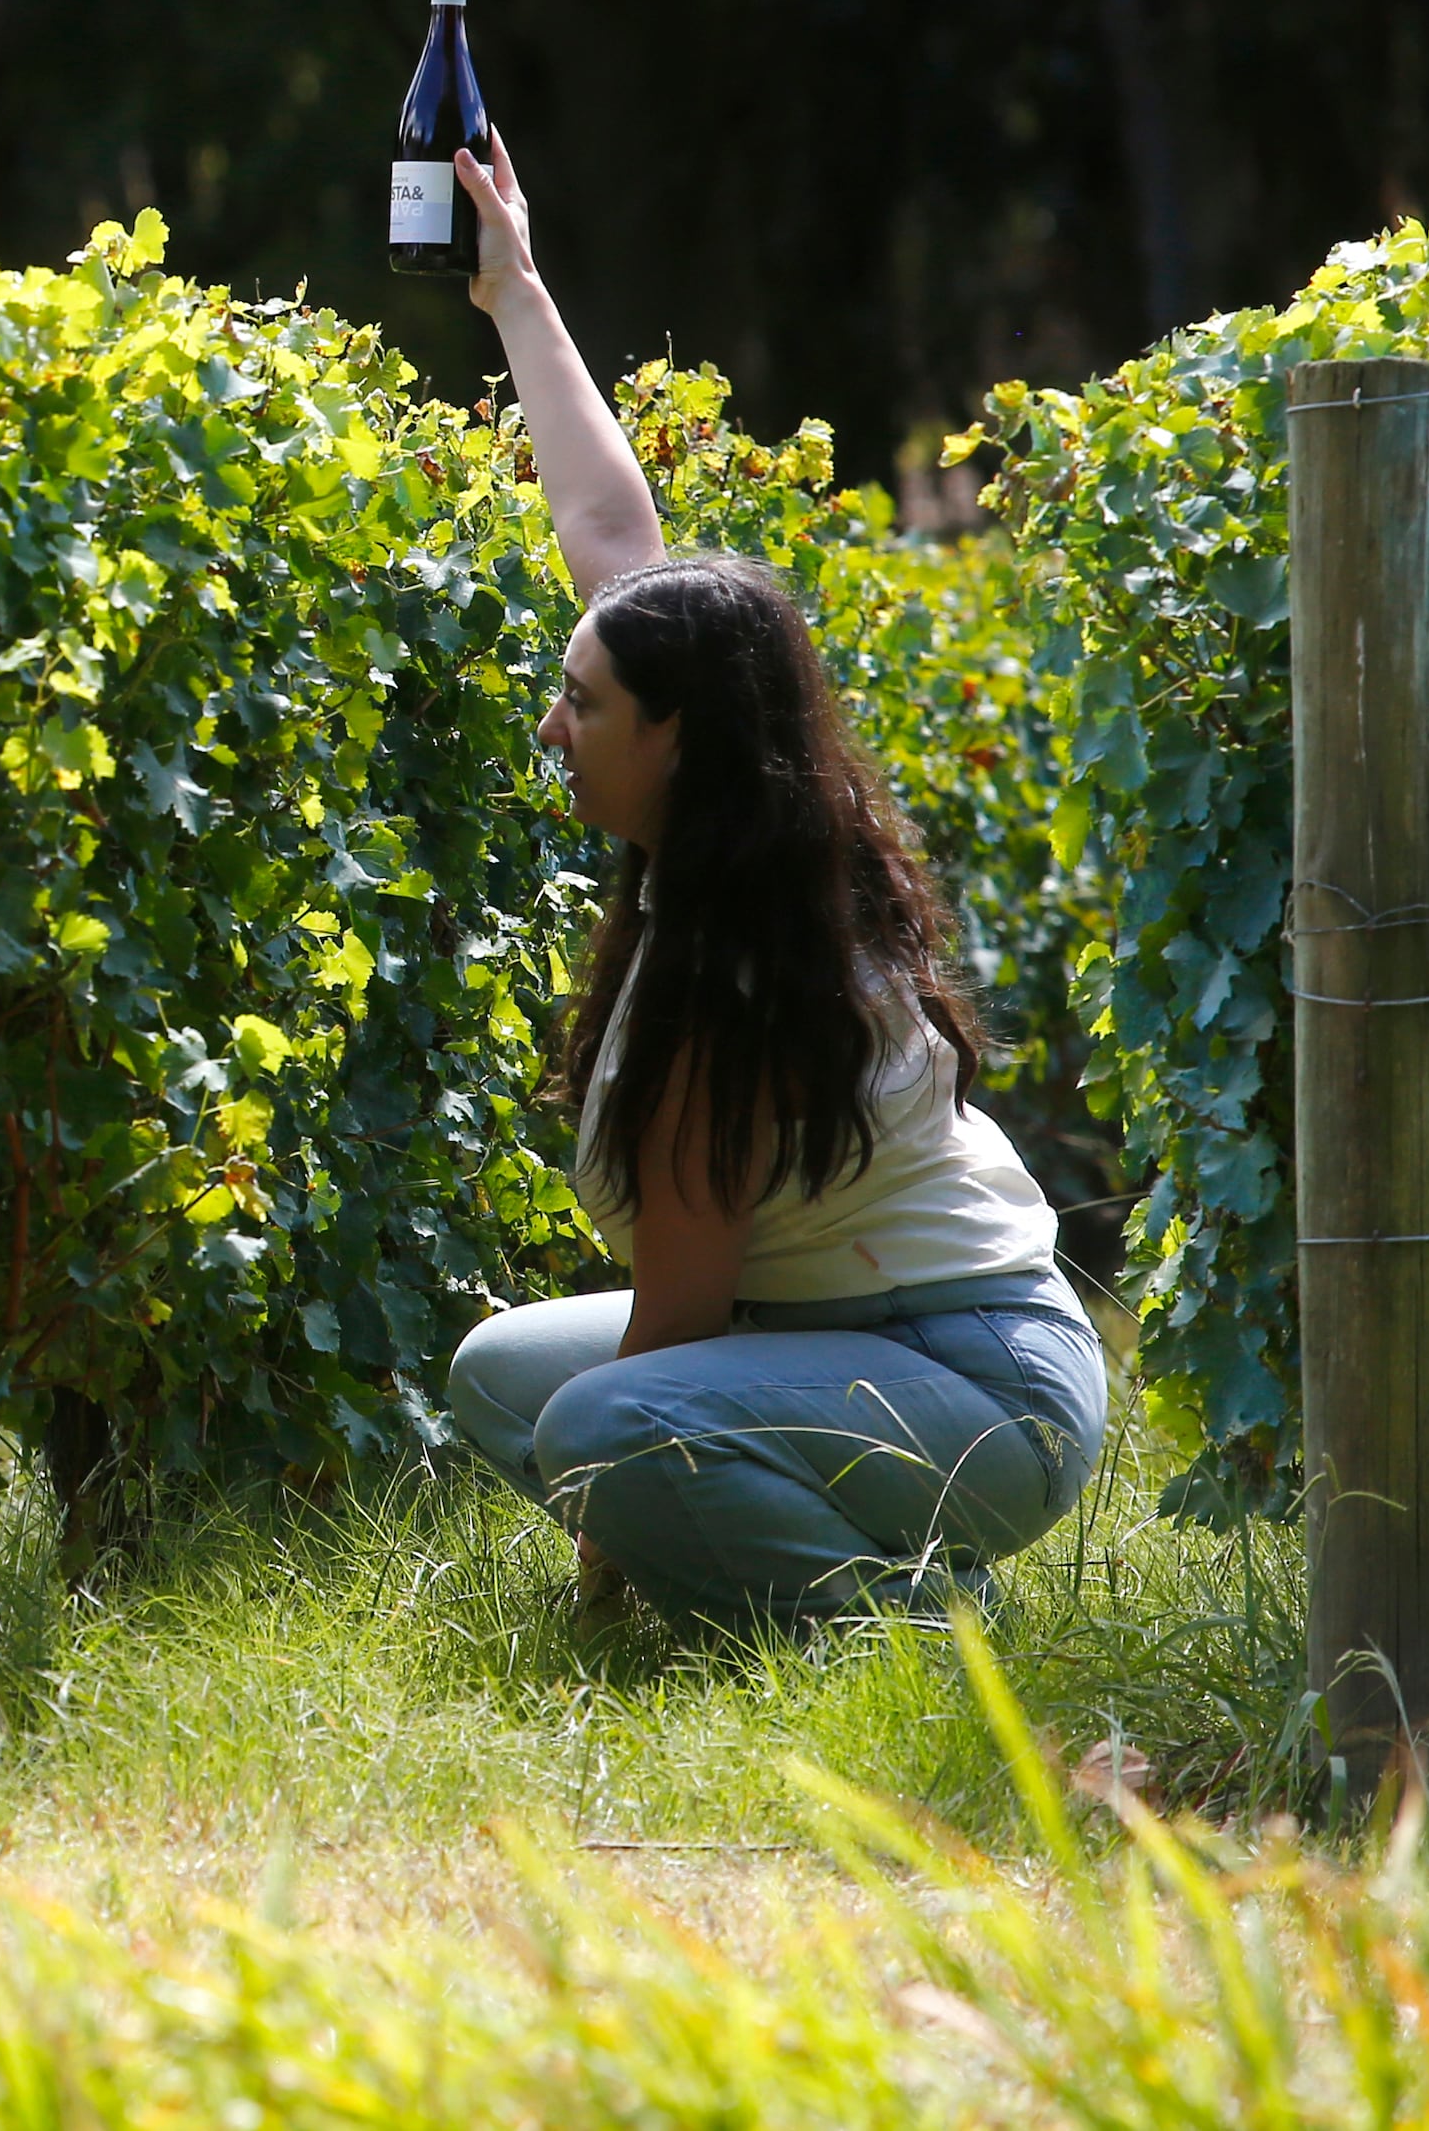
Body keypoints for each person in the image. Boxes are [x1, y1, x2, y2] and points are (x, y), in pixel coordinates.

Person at [434, 132, 1109, 1632]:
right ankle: (810, 1564)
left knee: (599, 1426)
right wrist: (516, 289)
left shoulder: (728, 983)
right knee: (504, 1378)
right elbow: (615, 547)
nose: (555, 723)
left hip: (982, 1380)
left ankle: (905, 1626)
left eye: (583, 705)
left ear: (678, 740)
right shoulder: (740, 840)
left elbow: (674, 1327)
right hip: (850, 1345)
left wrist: (609, 1567)